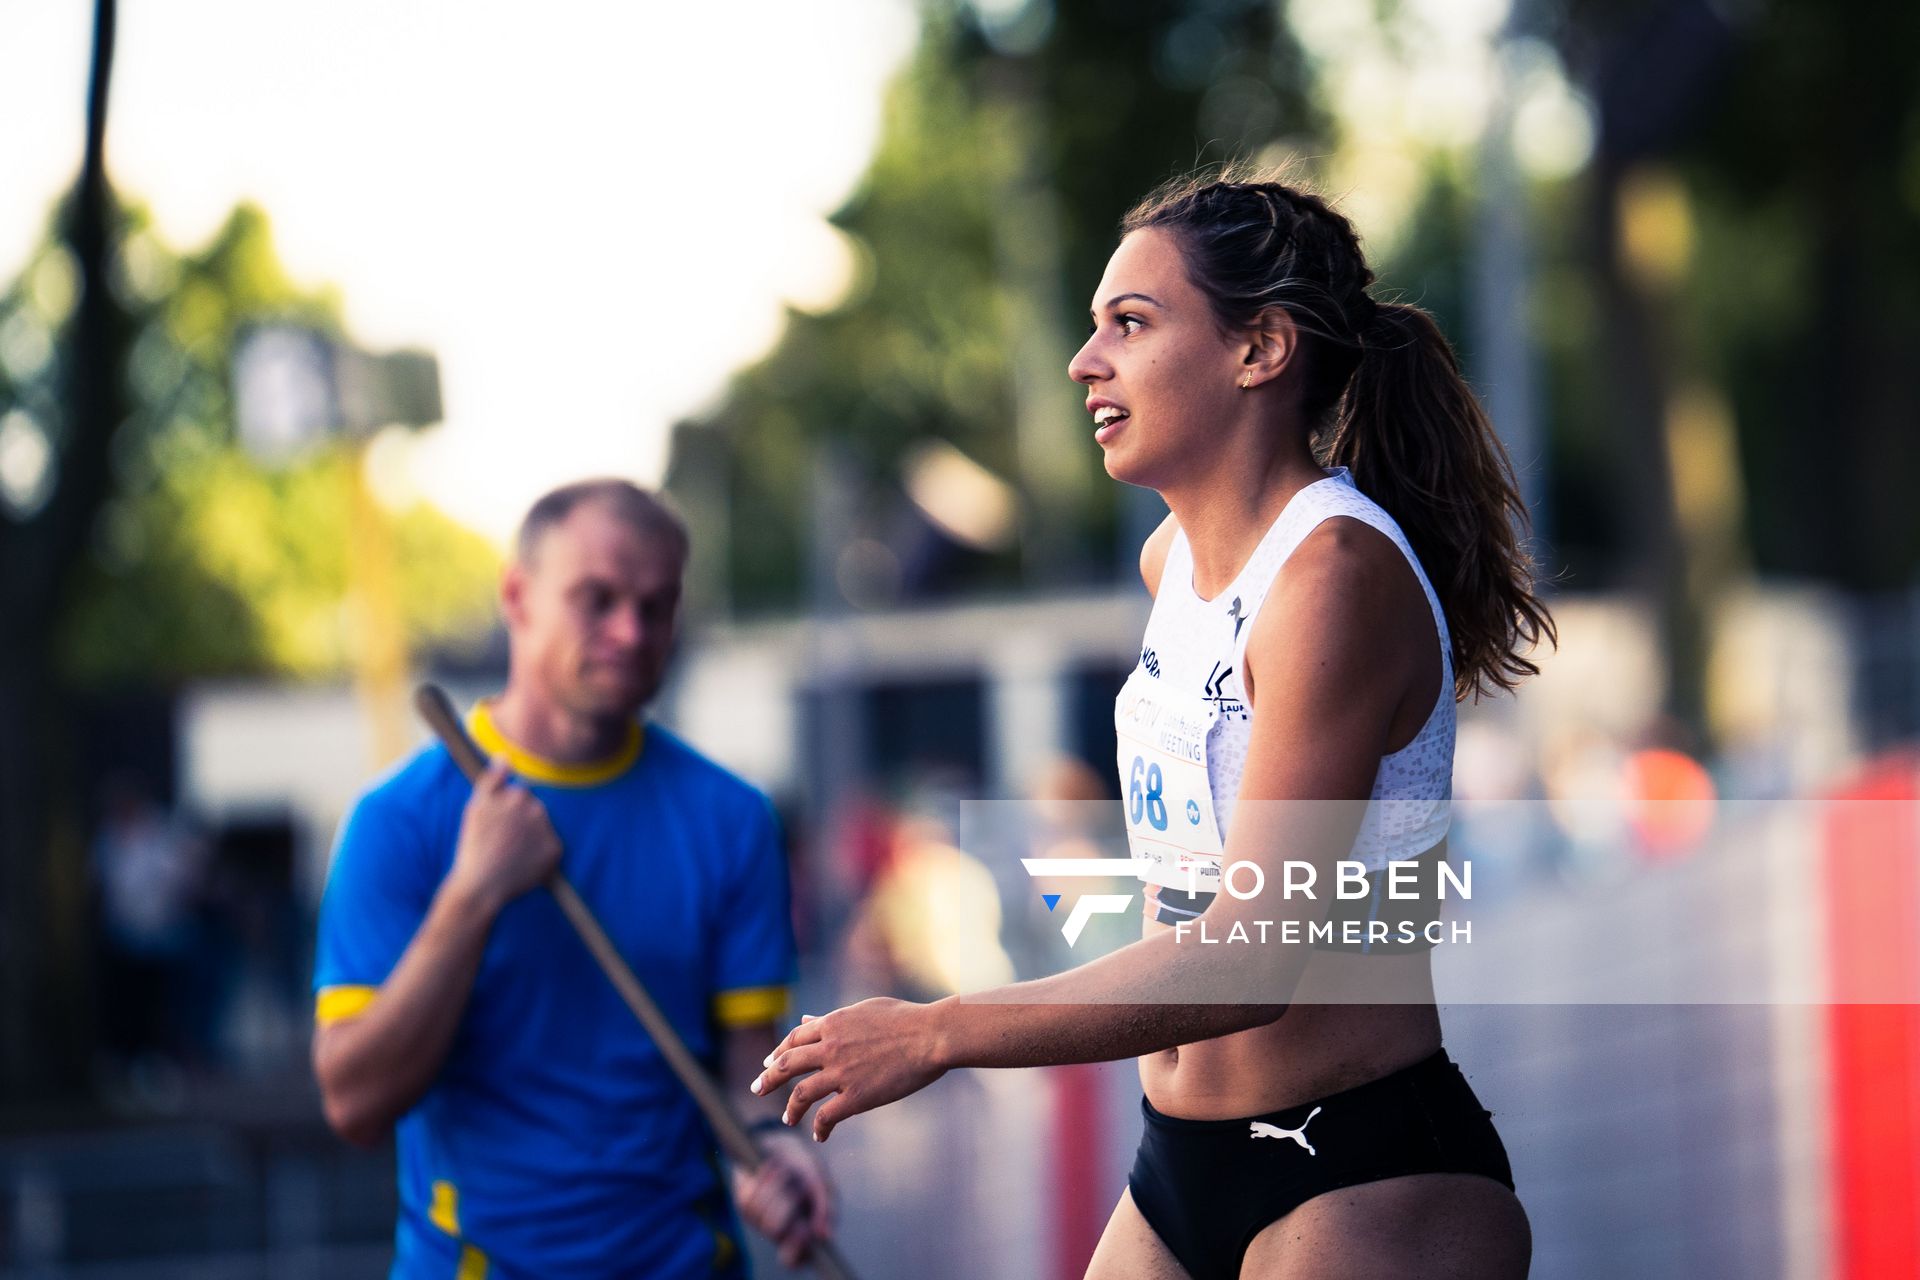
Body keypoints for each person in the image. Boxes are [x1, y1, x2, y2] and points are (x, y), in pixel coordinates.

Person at [753, 168, 1557, 1278]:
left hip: (1360, 1165)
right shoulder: (1167, 562)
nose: (1088, 363)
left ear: (1259, 348)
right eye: (1094, 329)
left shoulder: (1334, 573)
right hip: (1174, 1164)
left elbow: (1252, 956)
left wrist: (939, 1029)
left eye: (1130, 324)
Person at [312, 480, 832, 1278]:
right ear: (517, 597)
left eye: (656, 607)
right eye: (597, 600)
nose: (630, 631)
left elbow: (743, 1072)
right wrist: (473, 892)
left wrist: (774, 1146)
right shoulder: (400, 822)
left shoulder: (731, 819)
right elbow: (354, 1103)